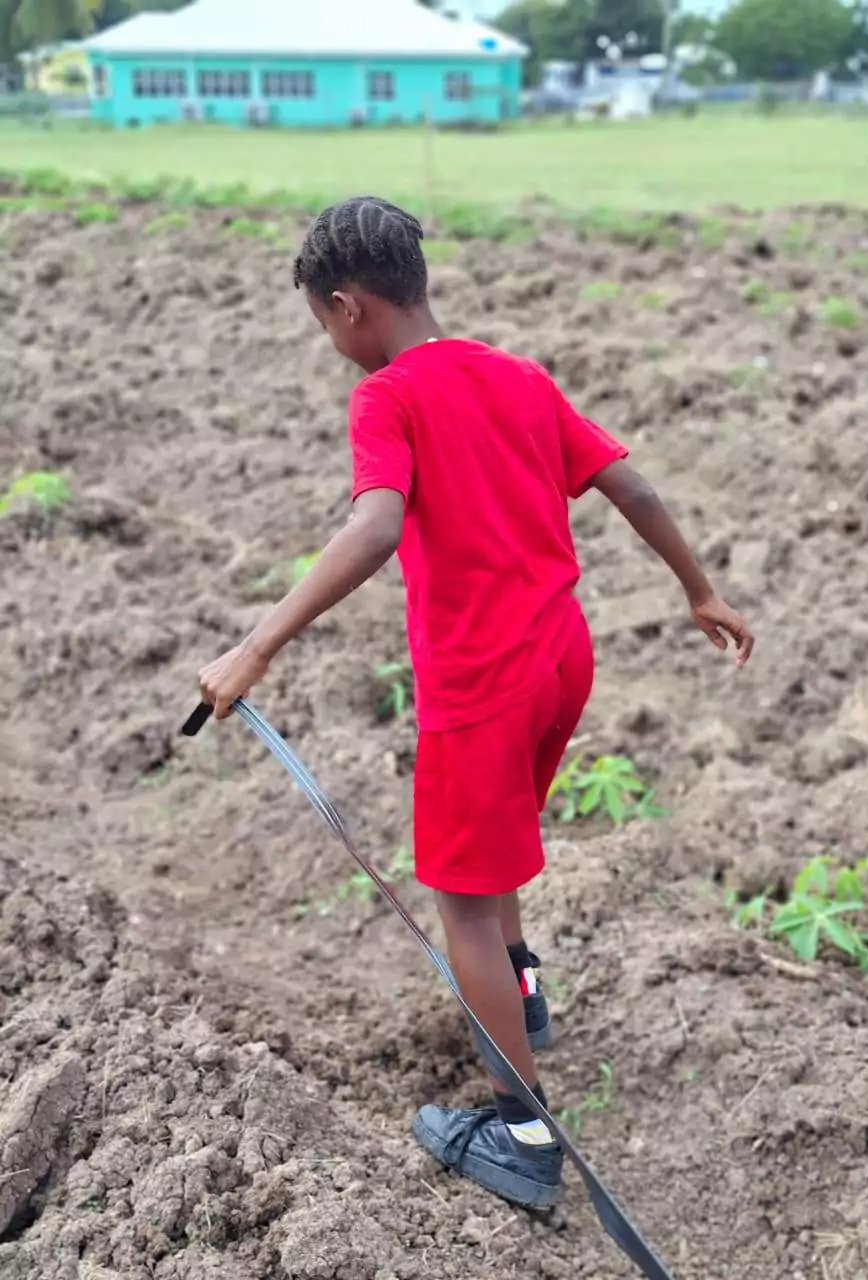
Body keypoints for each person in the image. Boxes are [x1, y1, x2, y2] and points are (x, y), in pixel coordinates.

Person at [197, 196, 754, 1211]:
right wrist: (699, 589)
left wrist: (254, 646)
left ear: (348, 304)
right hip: (559, 660)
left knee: (459, 891)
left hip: (481, 681)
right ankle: (523, 994)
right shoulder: (516, 374)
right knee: (495, 846)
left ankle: (522, 1135)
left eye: (324, 323)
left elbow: (372, 528)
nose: (330, 343)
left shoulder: (388, 397)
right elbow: (629, 485)